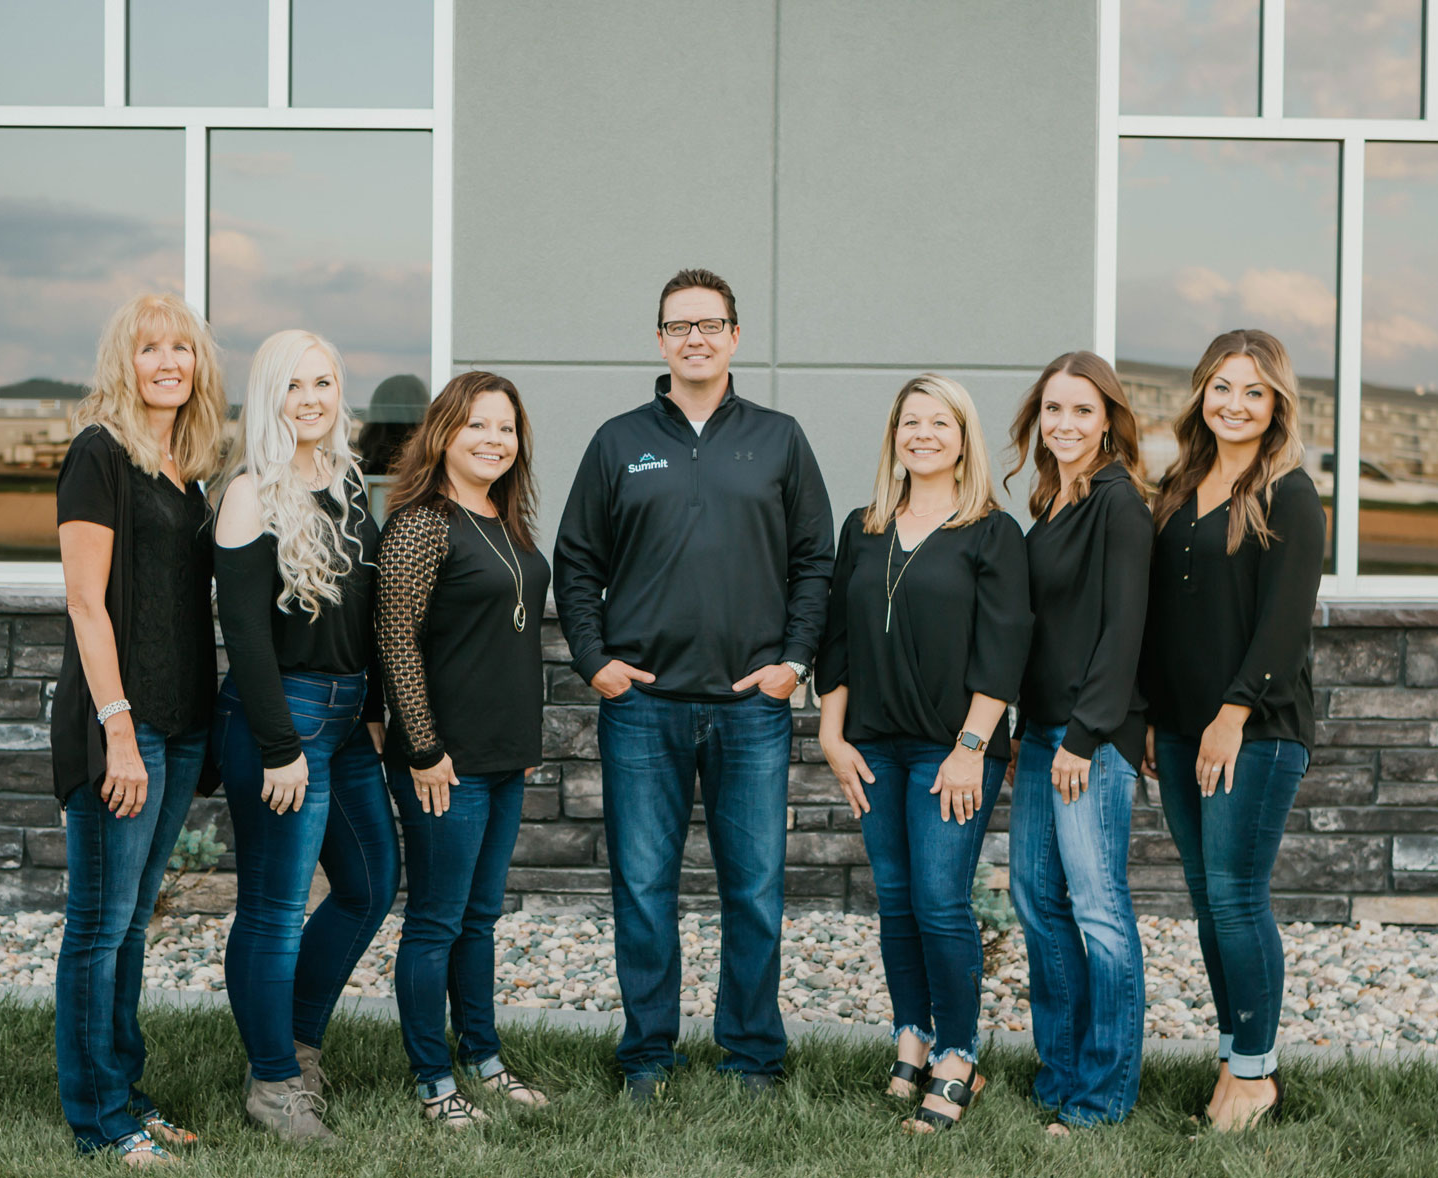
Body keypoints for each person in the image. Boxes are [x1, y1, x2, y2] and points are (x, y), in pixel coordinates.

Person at [553, 268, 835, 1099]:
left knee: (754, 891)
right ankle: (648, 1054)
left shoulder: (780, 438)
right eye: (680, 327)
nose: (696, 339)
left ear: (736, 337)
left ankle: (752, 1054)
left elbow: (813, 561)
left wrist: (794, 662)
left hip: (752, 709)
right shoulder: (617, 440)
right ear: (660, 340)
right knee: (642, 889)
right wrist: (595, 662)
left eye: (711, 325)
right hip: (643, 708)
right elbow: (576, 563)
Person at [814, 374, 1033, 1133]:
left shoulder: (992, 532)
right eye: (912, 422)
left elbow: (1005, 651)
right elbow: (835, 639)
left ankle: (958, 1055)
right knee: (898, 900)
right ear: (895, 436)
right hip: (873, 744)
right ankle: (911, 1034)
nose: (924, 434)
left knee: (941, 901)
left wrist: (972, 747)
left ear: (963, 437)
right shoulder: (863, 526)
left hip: (953, 750)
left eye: (941, 422)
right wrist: (830, 732)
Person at [52, 292, 226, 1166]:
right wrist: (118, 730)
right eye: (150, 347)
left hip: (181, 725)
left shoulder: (186, 465)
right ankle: (96, 1116)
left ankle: (124, 1088)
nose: (168, 362)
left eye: (182, 349)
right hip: (123, 725)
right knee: (100, 923)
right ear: (126, 360)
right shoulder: (100, 455)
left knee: (131, 925)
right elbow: (87, 602)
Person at [213, 330, 399, 1143]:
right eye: (296, 385)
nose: (314, 398)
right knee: (274, 908)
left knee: (369, 884)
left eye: (325, 382)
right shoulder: (251, 493)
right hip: (279, 721)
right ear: (271, 396)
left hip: (348, 720)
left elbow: (363, 612)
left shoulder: (350, 481)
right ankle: (275, 1087)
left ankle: (293, 1042)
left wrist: (373, 711)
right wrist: (280, 746)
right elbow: (244, 634)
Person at [1140, 329, 1323, 1131]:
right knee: (1210, 901)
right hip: (1179, 729)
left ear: (1276, 402)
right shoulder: (1179, 484)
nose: (1235, 404)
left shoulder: (1291, 493)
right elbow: (1160, 616)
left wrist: (1233, 714)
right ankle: (1236, 1056)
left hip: (1255, 728)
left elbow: (1285, 624)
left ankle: (1254, 1079)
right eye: (1222, 387)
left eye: (1253, 391)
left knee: (1238, 897)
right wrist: (1151, 714)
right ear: (1200, 393)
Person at [375, 371, 552, 1125]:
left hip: (501, 756)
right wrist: (422, 748)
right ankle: (433, 1082)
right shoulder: (422, 523)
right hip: (443, 762)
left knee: (479, 917)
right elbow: (396, 640)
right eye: (477, 425)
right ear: (444, 432)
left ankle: (483, 1056)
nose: (493, 440)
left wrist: (521, 741)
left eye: (506, 428)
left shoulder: (505, 520)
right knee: (438, 920)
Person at [1004, 350, 1152, 1133]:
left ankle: (1104, 1093)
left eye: (1082, 411)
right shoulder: (1054, 501)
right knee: (1037, 902)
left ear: (1109, 421)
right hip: (1041, 733)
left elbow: (1123, 631)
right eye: (1054, 410)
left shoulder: (1119, 503)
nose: (1066, 424)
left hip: (1089, 737)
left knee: (1098, 911)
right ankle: (1059, 1073)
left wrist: (1084, 738)